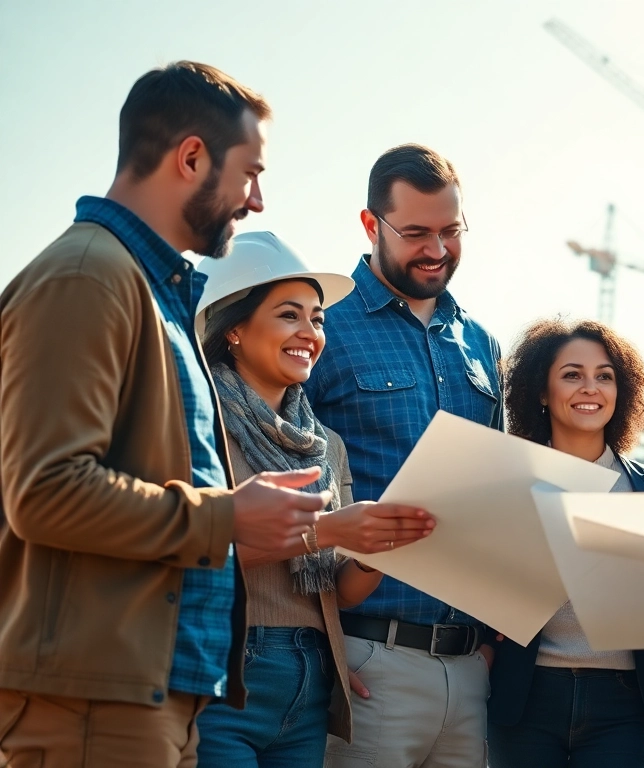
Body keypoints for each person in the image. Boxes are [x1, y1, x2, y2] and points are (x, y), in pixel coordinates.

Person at [0, 62, 334, 768]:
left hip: (157, 701)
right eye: (250, 173)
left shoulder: (150, 293)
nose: (257, 200)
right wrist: (227, 517)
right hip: (94, 707)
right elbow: (45, 490)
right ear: (191, 157)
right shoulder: (87, 277)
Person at [190, 232, 436, 767]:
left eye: (317, 319)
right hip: (223, 672)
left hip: (313, 678)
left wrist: (376, 547)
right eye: (289, 316)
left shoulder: (329, 448)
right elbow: (193, 557)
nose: (310, 332)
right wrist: (326, 531)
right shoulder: (197, 431)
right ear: (233, 328)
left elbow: (339, 592)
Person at [306, 144, 502, 768]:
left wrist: (489, 641)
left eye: (451, 231)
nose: (437, 250)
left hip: (468, 670)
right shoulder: (321, 328)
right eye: (416, 232)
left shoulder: (482, 343)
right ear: (371, 225)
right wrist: (331, 652)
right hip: (367, 660)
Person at [487, 318, 644, 768]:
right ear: (542, 392)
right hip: (525, 696)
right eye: (572, 374)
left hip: (621, 704)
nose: (591, 387)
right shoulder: (508, 481)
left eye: (604, 376)